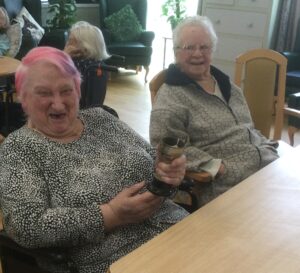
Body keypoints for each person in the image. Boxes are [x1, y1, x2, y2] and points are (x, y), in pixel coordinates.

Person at [0, 47, 188, 273]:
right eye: (44, 93)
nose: (58, 104)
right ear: (24, 98)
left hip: (177, 230)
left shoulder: (101, 119)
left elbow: (153, 162)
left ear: (78, 91)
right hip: (118, 260)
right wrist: (110, 214)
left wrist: (168, 173)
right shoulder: (19, 148)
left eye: (66, 90)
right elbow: (26, 224)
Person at [149, 15, 279, 207]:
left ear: (212, 50)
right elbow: (165, 149)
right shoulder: (171, 97)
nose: (197, 54)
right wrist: (215, 167)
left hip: (266, 164)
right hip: (229, 183)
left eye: (204, 47)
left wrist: (266, 146)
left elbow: (246, 127)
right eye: (189, 47)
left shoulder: (226, 84)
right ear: (176, 52)